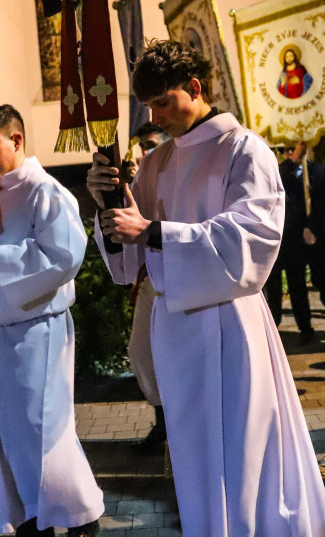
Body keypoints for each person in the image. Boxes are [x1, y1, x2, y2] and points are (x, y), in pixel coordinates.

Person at [87, 40, 325, 537]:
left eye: (163, 102)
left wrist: (155, 231)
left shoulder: (245, 149)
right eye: (149, 106)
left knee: (241, 451)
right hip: (174, 330)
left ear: (195, 88)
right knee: (193, 450)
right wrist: (106, 205)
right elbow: (127, 262)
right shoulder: (156, 162)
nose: (155, 116)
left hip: (229, 324)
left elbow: (252, 239)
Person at [0, 105, 103, 537]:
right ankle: (27, 516)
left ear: (16, 140)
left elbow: (64, 257)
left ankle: (78, 515)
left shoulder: (47, 191)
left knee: (40, 428)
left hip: (35, 330)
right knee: (3, 428)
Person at [264, 141, 325, 341]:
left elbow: (323, 204)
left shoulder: (317, 171)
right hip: (292, 239)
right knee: (296, 283)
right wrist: (292, 158)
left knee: (323, 280)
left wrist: (312, 228)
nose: (291, 153)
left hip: (316, 237)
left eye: (295, 148)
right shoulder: (282, 173)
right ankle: (305, 328)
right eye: (288, 150)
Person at [125, 121, 171, 454]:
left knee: (173, 357)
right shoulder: (139, 177)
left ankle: (176, 425)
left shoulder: (175, 174)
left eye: (152, 144)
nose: (145, 150)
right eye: (142, 145)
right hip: (149, 279)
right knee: (141, 352)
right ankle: (162, 419)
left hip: (178, 281)